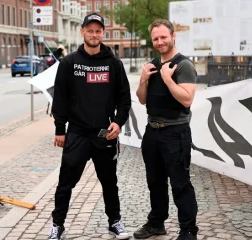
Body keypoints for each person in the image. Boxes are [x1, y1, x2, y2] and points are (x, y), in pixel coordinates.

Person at [48, 12, 132, 240]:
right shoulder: (69, 62)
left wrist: (118, 122)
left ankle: (115, 222)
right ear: (82, 31)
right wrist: (59, 129)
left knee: (109, 182)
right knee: (66, 183)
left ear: (103, 33)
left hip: (104, 135)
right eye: (90, 30)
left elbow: (124, 99)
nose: (94, 34)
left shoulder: (113, 64)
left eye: (98, 31)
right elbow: (60, 99)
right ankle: (57, 225)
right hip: (76, 133)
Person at [134, 19, 199, 240]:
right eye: (155, 38)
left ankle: (188, 230)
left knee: (180, 183)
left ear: (173, 36)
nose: (160, 41)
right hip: (152, 132)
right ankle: (156, 223)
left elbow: (187, 99)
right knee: (155, 182)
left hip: (175, 133)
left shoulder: (183, 65)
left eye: (163, 37)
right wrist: (143, 80)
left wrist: (168, 80)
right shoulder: (152, 65)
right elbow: (142, 100)